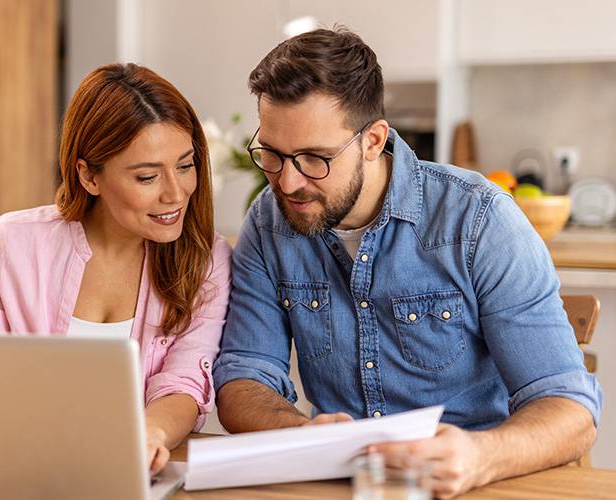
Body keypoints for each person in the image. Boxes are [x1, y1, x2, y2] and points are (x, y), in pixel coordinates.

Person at [213, 27, 602, 498]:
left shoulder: (479, 219)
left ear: (373, 141)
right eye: (272, 155)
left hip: (475, 483)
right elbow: (244, 375)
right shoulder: (269, 223)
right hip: (343, 484)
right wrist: (298, 435)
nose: (289, 182)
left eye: (315, 159)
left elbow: (569, 406)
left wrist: (480, 457)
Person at [0, 63, 231, 475]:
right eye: (147, 176)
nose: (176, 194)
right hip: (18, 471)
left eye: (185, 165)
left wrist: (151, 434)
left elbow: (184, 383)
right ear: (89, 176)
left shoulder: (205, 258)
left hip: (131, 477)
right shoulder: (10, 243)